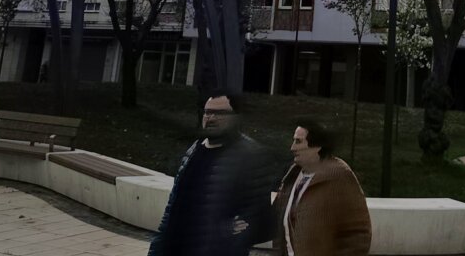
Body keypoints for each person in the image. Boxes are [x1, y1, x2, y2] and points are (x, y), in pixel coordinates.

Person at [149, 91, 278, 256]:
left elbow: (260, 221)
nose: (211, 118)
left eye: (220, 113)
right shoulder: (194, 150)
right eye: (208, 112)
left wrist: (222, 230)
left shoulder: (251, 155)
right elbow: (172, 210)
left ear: (236, 117)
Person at [273, 118, 371, 256]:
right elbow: (280, 229)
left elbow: (358, 233)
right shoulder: (292, 176)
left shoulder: (339, 175)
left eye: (298, 141)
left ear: (317, 146)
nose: (292, 147)